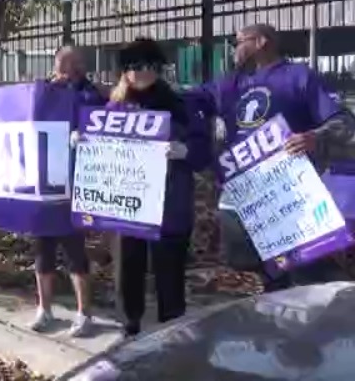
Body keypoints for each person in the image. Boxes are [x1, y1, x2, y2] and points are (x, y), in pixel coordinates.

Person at [195, 23, 355, 292]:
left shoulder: (299, 76)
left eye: (239, 42)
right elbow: (185, 101)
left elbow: (343, 122)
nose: (234, 49)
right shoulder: (230, 85)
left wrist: (314, 136)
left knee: (302, 274)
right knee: (251, 271)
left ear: (260, 42)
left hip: (288, 196)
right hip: (243, 195)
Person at [108, 38, 212, 337]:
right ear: (124, 71)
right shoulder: (115, 106)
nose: (140, 72)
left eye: (148, 66)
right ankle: (129, 325)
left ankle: (173, 329)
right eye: (133, 66)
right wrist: (85, 142)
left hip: (170, 203)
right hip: (128, 205)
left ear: (159, 68)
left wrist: (184, 150)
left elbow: (203, 151)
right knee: (128, 269)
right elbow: (99, 146)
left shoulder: (180, 104)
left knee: (170, 271)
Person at [28, 46, 106, 337]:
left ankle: (84, 313)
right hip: (47, 178)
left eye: (71, 63)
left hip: (77, 181)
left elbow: (101, 116)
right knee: (43, 250)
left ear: (81, 66)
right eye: (61, 62)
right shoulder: (44, 90)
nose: (65, 68)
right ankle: (44, 309)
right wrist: (49, 90)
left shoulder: (91, 92)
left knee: (74, 250)